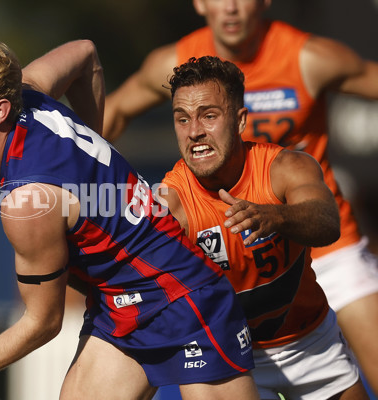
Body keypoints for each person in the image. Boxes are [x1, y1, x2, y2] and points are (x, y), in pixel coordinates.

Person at [0, 35, 260, 399]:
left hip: (184, 300)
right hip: (119, 307)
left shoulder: (28, 201)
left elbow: (43, 323)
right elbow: (84, 52)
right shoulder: (30, 92)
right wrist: (93, 142)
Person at [103, 0, 378, 394]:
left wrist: (276, 216)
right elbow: (111, 116)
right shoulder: (175, 67)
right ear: (199, 4)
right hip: (232, 252)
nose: (230, 9)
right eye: (185, 119)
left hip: (321, 241)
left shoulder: (308, 58)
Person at [157, 55, 369, 399]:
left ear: (240, 120)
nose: (194, 131)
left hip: (312, 342)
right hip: (229, 356)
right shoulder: (170, 201)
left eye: (209, 116)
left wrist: (274, 217)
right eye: (182, 119)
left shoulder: (286, 166)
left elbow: (328, 223)